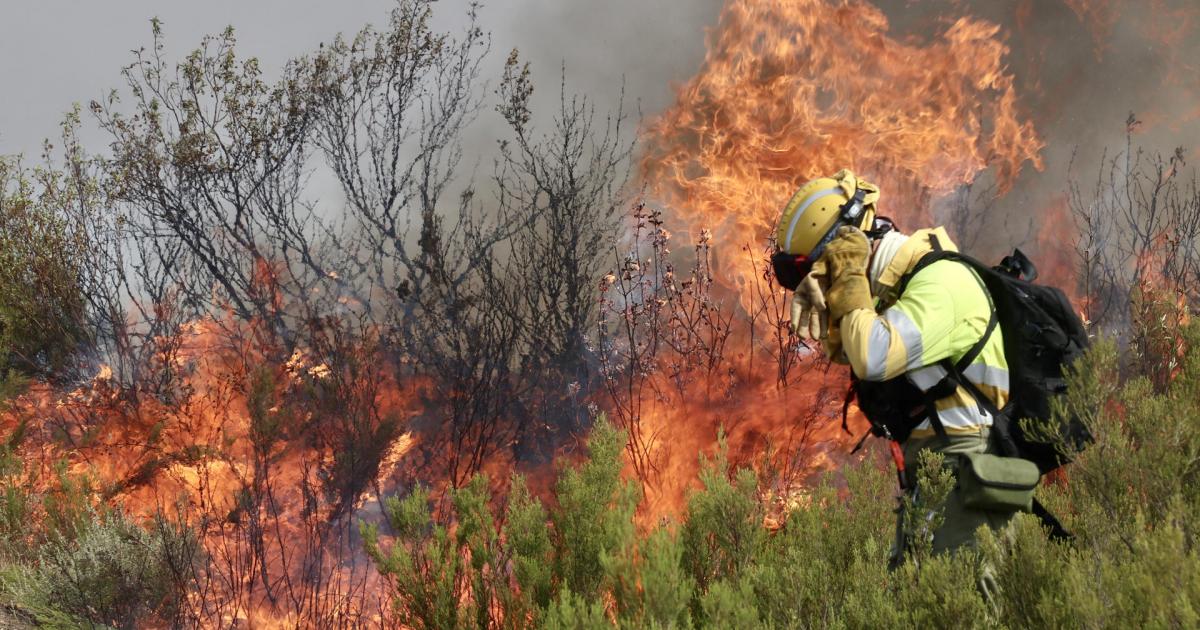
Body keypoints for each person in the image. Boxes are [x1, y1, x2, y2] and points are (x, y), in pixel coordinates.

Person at [772, 169, 1018, 565]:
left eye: (820, 267)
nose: (821, 282)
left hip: (968, 463)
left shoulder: (943, 280)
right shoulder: (894, 294)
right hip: (934, 468)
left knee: (961, 607)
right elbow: (853, 351)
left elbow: (872, 355)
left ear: (852, 245)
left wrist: (849, 274)